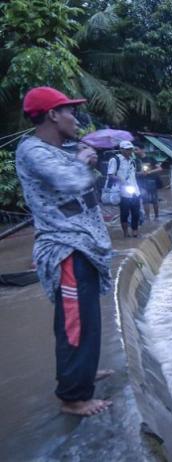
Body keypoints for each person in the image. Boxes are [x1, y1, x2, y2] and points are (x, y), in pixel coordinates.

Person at [15, 87, 114, 416]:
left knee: (87, 317)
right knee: (74, 322)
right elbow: (69, 181)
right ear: (52, 115)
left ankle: (83, 371)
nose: (76, 118)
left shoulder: (63, 150)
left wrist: (85, 161)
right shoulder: (32, 150)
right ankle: (73, 397)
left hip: (85, 247)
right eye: (70, 111)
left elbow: (86, 188)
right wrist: (83, 161)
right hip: (65, 249)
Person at [108, 141, 141, 238]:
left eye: (131, 149)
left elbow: (133, 175)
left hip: (135, 191)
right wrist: (122, 181)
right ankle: (125, 233)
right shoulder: (115, 160)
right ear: (121, 149)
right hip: (123, 192)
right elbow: (111, 175)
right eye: (127, 149)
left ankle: (135, 232)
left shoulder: (133, 160)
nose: (129, 151)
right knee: (124, 214)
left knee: (136, 213)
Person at [136, 149, 162, 221]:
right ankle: (147, 218)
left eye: (136, 149)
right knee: (145, 200)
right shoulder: (135, 161)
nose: (135, 151)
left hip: (152, 182)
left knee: (154, 200)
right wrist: (139, 173)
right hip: (141, 183)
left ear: (142, 149)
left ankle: (157, 217)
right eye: (134, 150)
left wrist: (149, 172)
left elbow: (159, 168)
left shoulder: (151, 158)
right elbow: (133, 172)